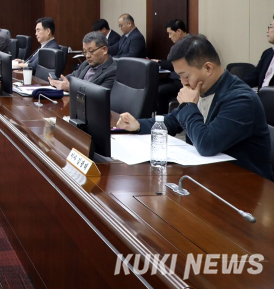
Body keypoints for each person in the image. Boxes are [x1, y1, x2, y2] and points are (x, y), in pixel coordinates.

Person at [116, 35, 273, 180]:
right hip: (209, 176)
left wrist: (188, 105)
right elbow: (172, 121)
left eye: (185, 76)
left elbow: (207, 144)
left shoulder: (241, 99)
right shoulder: (202, 89)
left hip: (245, 184)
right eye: (179, 76)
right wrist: (137, 125)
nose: (182, 82)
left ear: (208, 68)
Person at [49, 32, 116, 91]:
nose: (87, 56)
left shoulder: (113, 71)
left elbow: (100, 95)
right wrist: (56, 82)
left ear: (104, 50)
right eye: (85, 52)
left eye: (91, 51)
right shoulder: (86, 64)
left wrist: (71, 88)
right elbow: (73, 76)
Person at [151, 19, 189, 114]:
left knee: (160, 91)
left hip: (183, 80)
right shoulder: (179, 44)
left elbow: (177, 65)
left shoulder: (189, 44)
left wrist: (159, 62)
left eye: (170, 33)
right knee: (152, 85)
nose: (169, 37)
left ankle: (162, 118)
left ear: (179, 31)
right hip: (174, 77)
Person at [243, 15, 274, 89]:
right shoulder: (267, 53)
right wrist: (235, 84)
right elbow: (255, 76)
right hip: (261, 95)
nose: (267, 31)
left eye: (270, 27)